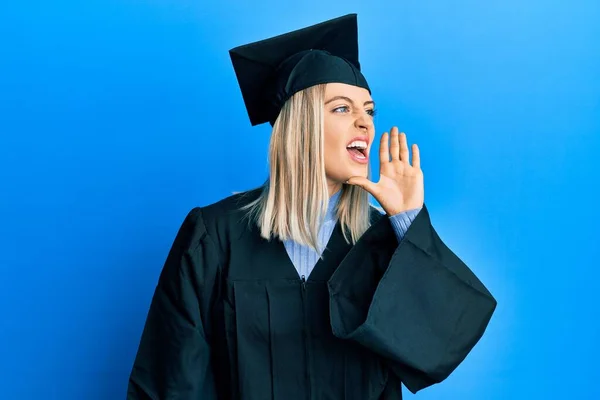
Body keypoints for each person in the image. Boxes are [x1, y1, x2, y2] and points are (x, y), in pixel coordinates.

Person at [126, 14, 497, 400]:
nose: (365, 124)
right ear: (299, 124)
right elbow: (171, 381)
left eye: (369, 111)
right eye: (342, 109)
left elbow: (437, 347)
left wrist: (407, 221)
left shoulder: (379, 241)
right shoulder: (215, 235)